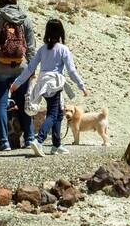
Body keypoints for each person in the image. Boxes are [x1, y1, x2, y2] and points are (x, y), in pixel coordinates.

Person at [10, 18, 87, 156]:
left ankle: (56, 145)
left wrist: (17, 83)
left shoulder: (42, 49)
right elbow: (71, 70)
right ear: (61, 33)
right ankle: (39, 140)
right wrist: (81, 85)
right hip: (54, 84)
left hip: (42, 84)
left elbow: (29, 69)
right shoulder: (63, 49)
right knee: (52, 114)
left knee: (58, 114)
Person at [0, 0, 36, 151]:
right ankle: (29, 139)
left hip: (1, 68)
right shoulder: (24, 18)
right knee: (23, 102)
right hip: (22, 69)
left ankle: (4, 142)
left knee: (1, 104)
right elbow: (31, 46)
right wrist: (31, 70)